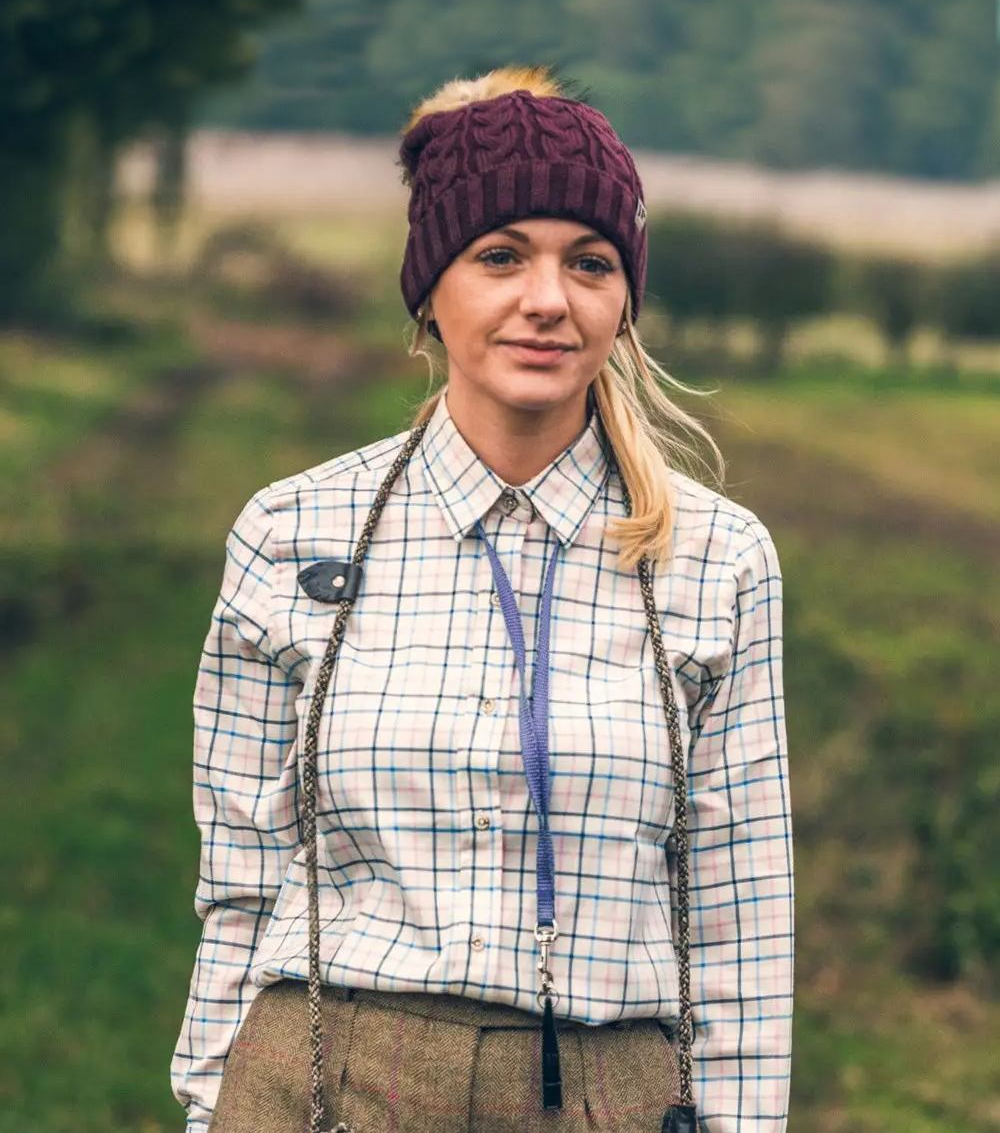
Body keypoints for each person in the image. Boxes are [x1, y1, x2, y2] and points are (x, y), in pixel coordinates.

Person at [170, 64, 794, 1133]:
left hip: (606, 1090)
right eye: (500, 255)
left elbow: (740, 919)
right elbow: (240, 883)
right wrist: (207, 1106)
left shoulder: (717, 559)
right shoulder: (289, 533)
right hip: (320, 1081)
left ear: (624, 298)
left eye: (588, 263)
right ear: (431, 288)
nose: (546, 300)